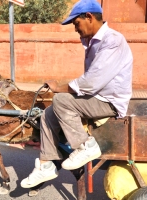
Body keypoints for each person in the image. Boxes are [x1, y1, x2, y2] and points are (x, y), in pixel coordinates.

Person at [21, 0, 133, 188]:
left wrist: (59, 87)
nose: (75, 28)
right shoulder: (94, 41)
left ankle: (86, 146)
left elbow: (90, 82)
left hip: (109, 102)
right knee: (49, 112)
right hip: (97, 97)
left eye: (76, 23)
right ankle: (46, 164)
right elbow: (91, 83)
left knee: (61, 100)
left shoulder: (112, 41)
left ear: (89, 17)